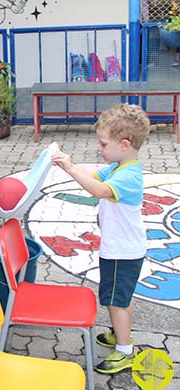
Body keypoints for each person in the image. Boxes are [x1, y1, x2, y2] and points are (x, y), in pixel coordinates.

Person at [51, 103, 150, 374]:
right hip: (122, 249)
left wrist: (70, 169)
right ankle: (121, 333)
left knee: (115, 299)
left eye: (104, 144)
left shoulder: (128, 176)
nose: (100, 148)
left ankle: (124, 350)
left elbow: (98, 190)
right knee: (121, 296)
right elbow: (92, 175)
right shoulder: (120, 166)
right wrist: (67, 164)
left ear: (125, 144)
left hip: (122, 252)